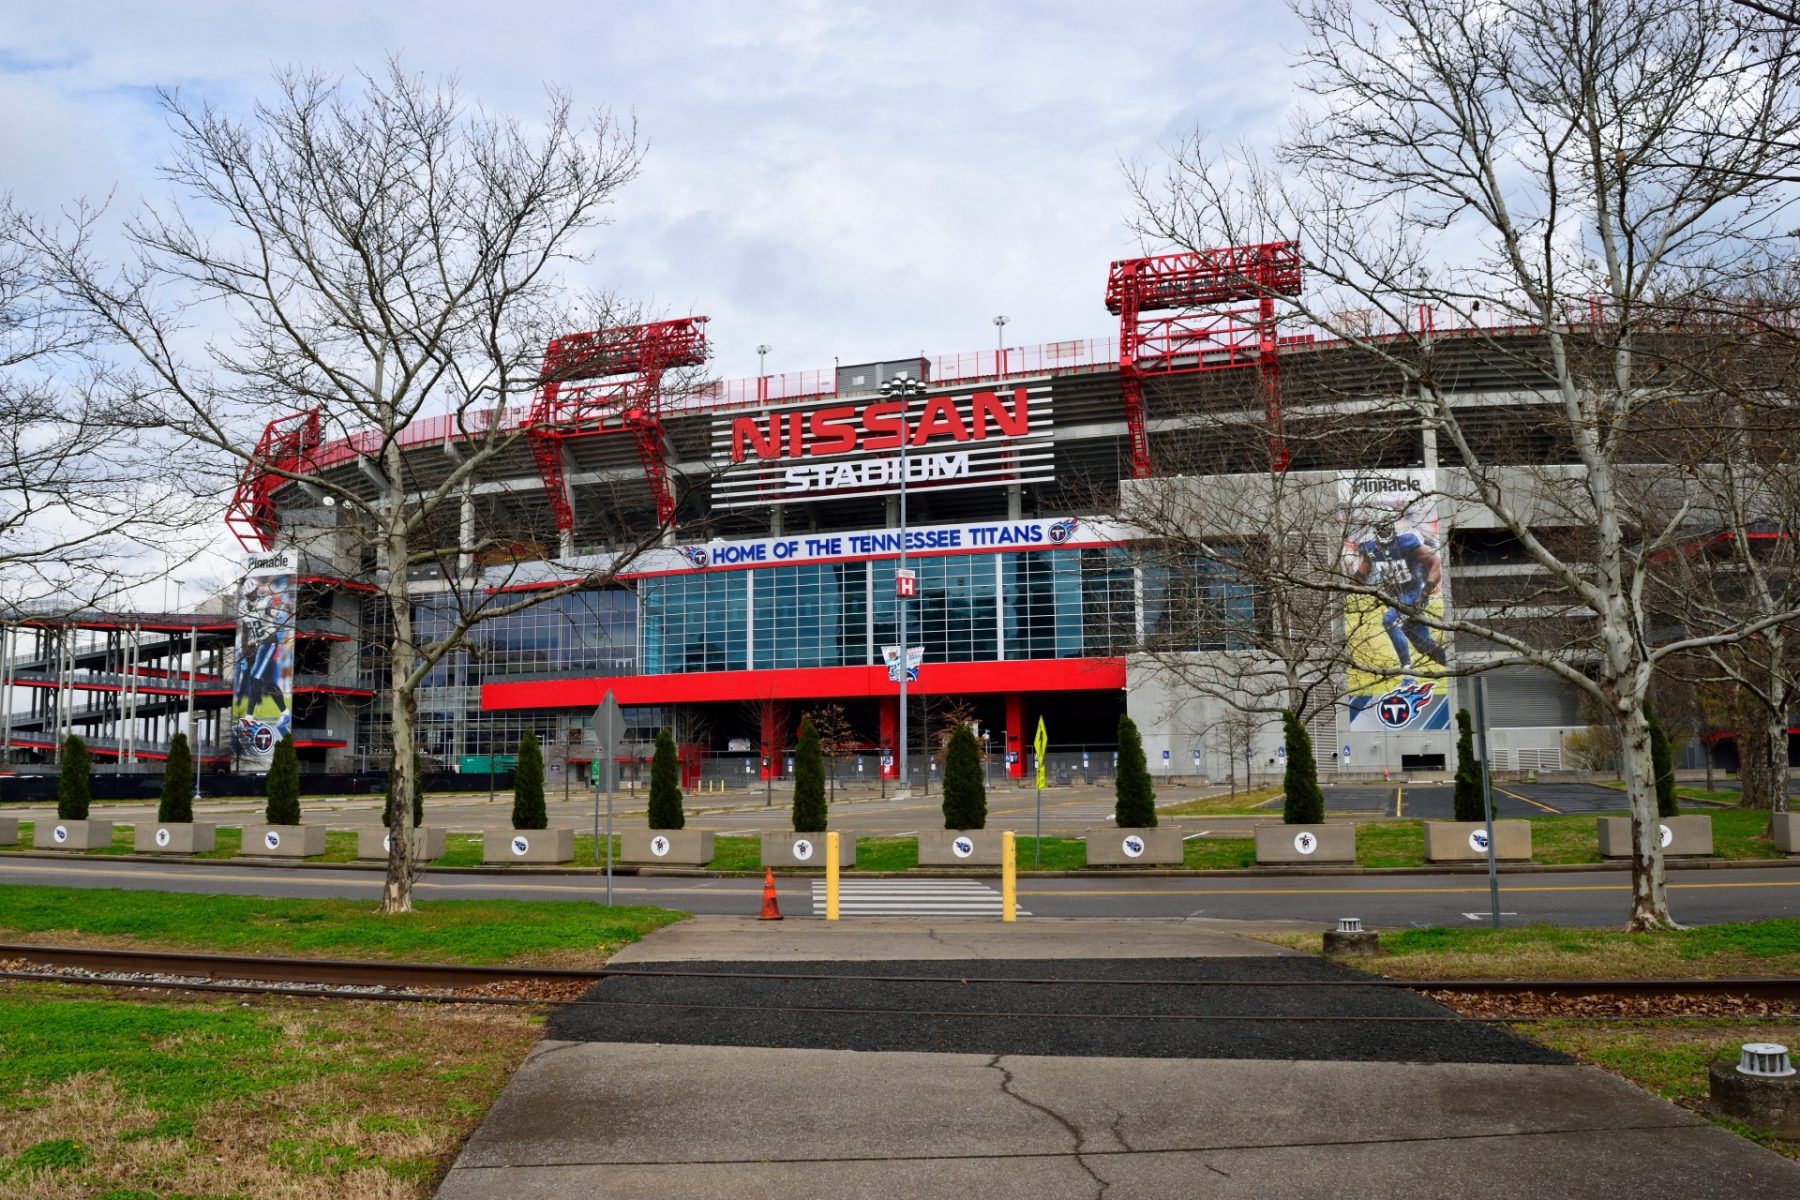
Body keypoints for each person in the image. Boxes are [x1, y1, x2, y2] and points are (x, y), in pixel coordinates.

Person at [1351, 516, 1447, 677]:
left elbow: (1436, 563)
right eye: (1380, 528)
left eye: (1386, 527)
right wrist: (1343, 587)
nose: (1384, 531)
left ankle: (1405, 667)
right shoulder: (1371, 548)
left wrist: (1424, 593)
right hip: (1394, 598)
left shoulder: (1407, 542)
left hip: (1413, 594)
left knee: (1389, 620)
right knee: (1424, 645)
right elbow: (1361, 574)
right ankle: (1456, 666)